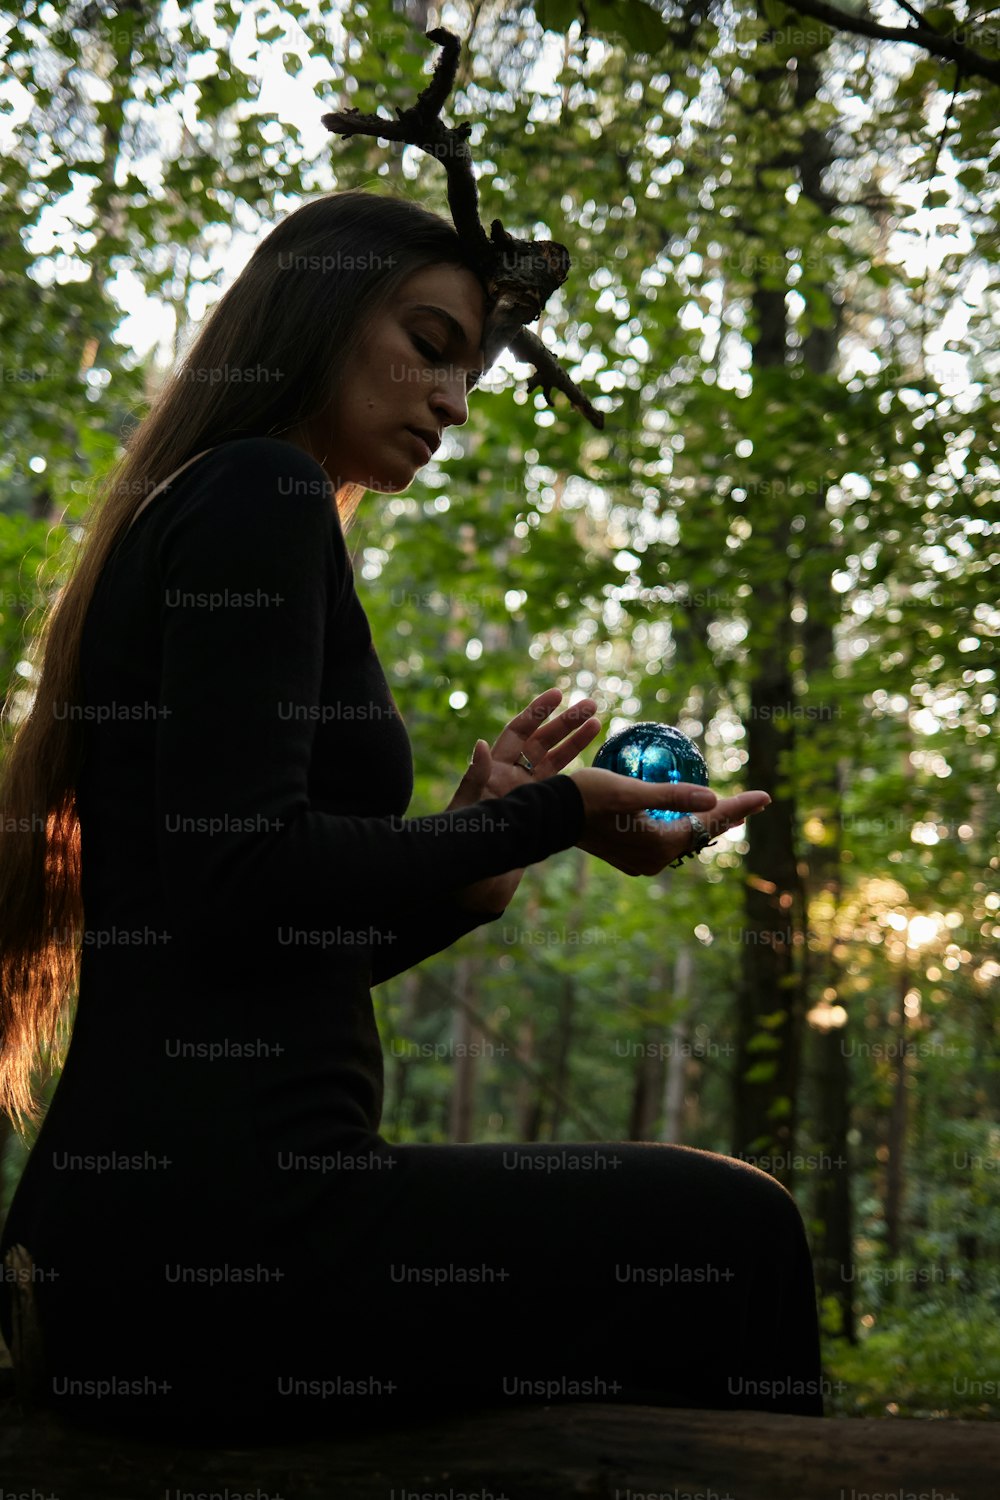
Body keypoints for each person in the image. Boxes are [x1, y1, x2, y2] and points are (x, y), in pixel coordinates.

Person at [0, 189, 824, 1445]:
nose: (451, 400)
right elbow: (244, 875)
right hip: (224, 1234)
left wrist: (465, 871)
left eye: (470, 374)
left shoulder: (219, 504)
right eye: (430, 345)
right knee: (735, 1234)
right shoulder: (257, 493)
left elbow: (243, 948)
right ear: (315, 312)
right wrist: (553, 810)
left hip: (159, 1239)